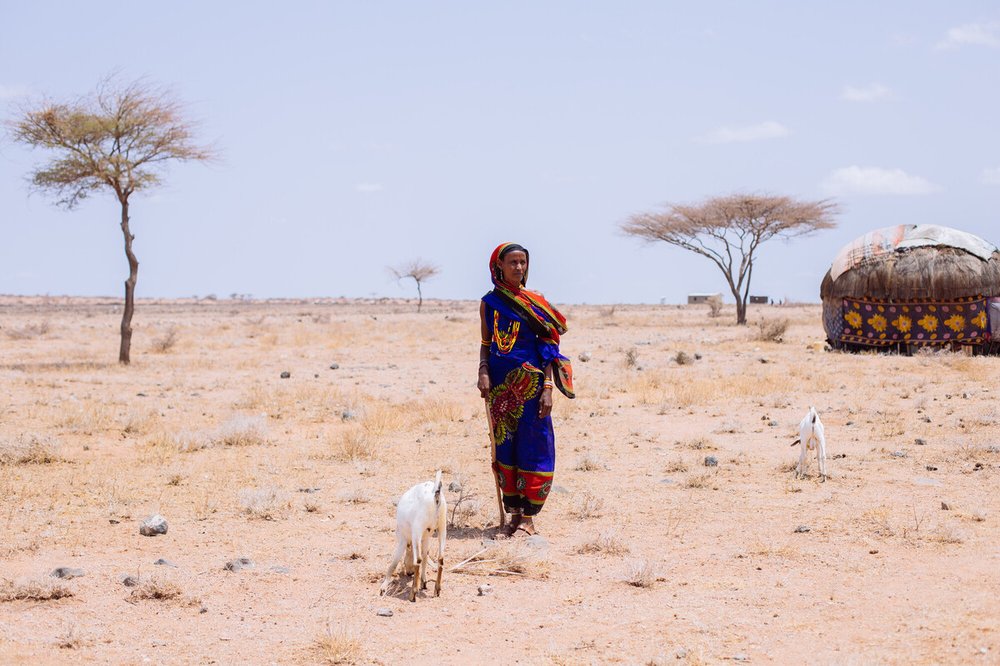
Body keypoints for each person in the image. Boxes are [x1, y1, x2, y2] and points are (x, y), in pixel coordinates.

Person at [478, 242, 574, 537]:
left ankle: (529, 518)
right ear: (499, 267)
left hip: (532, 388)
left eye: (523, 263)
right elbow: (485, 345)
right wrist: (482, 371)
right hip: (499, 388)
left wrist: (548, 387)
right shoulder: (489, 303)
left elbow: (548, 348)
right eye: (513, 263)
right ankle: (513, 515)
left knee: (535, 446)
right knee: (506, 447)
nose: (519, 268)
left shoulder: (536, 302)